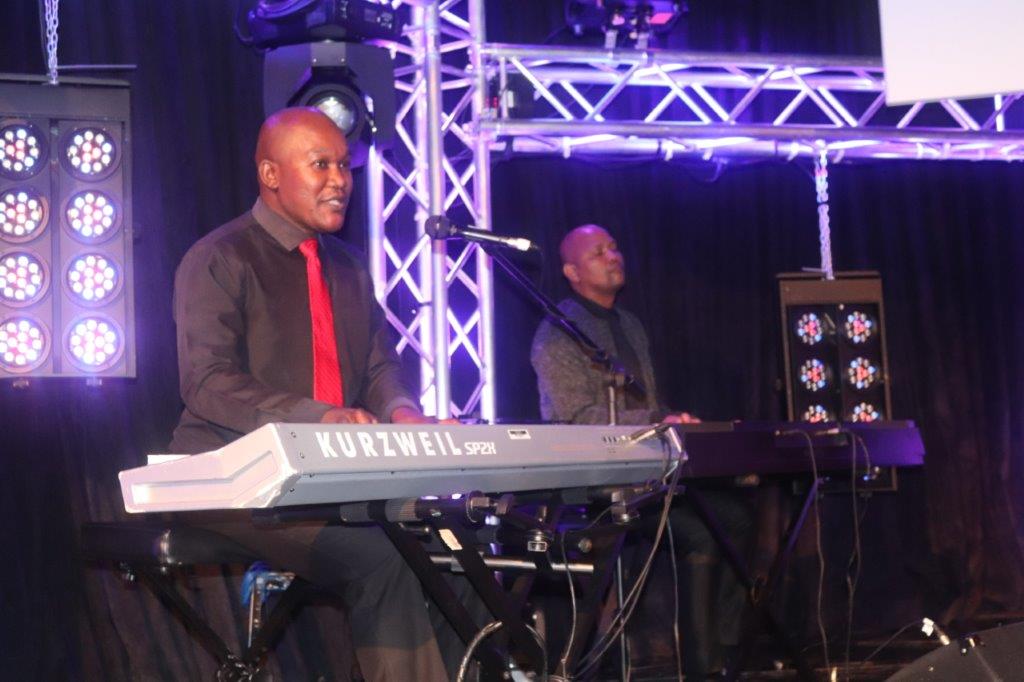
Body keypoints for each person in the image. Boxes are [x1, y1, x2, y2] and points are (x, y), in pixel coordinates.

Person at [169, 107, 460, 681]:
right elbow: (206, 381)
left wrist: (402, 412)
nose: (340, 180)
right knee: (383, 558)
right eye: (320, 164)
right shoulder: (220, 258)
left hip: (329, 478)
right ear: (270, 175)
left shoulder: (348, 268)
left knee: (455, 546)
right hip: (231, 481)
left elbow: (379, 365)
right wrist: (318, 418)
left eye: (345, 166)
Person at [530, 224, 751, 679]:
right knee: (703, 531)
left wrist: (676, 420)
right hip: (598, 487)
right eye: (598, 252)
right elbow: (573, 418)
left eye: (614, 247)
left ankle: (726, 648)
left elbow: (646, 404)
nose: (613, 256)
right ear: (572, 272)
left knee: (737, 519)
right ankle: (701, 667)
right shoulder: (557, 333)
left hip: (648, 478)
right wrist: (656, 420)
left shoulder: (630, 324)